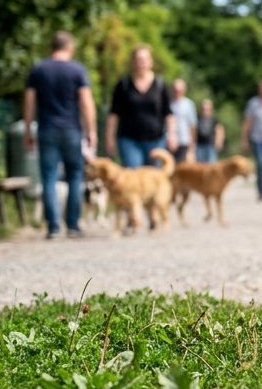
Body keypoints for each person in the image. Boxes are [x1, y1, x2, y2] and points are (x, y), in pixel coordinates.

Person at [23, 31, 97, 239]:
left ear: (51, 47)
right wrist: (91, 130)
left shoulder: (38, 69)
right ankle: (73, 225)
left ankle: (53, 227)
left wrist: (28, 129)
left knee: (48, 177)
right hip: (72, 130)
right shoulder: (77, 70)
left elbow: (29, 101)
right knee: (75, 176)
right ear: (70, 47)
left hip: (46, 129)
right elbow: (86, 102)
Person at [104, 45, 175, 168]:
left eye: (145, 59)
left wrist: (172, 135)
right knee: (133, 179)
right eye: (138, 59)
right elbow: (114, 113)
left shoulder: (160, 84)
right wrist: (109, 137)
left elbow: (168, 112)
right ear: (132, 62)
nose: (141, 62)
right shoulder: (123, 85)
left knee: (154, 180)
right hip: (129, 140)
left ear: (151, 62)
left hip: (156, 139)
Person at [169, 78, 197, 163]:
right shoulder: (167, 102)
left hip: (183, 140)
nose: (177, 92)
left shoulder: (189, 104)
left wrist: (193, 142)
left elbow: (192, 125)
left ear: (184, 90)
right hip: (168, 140)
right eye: (175, 89)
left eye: (179, 90)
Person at [195, 98, 224, 163]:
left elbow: (219, 130)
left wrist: (219, 141)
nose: (205, 110)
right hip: (199, 145)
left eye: (208, 109)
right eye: (204, 109)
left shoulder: (214, 120)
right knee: (200, 165)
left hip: (211, 145)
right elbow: (194, 131)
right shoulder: (197, 118)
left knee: (212, 165)